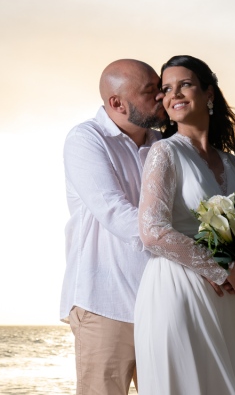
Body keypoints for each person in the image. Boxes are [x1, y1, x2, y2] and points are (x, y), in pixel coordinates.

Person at [134, 55, 235, 394]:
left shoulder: (232, 163)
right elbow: (153, 231)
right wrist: (221, 269)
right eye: (166, 88)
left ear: (209, 94)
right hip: (179, 292)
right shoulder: (164, 154)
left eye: (185, 84)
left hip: (231, 299)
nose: (174, 94)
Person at [61, 59, 167, 395]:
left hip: (161, 301)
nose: (162, 97)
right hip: (104, 304)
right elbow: (112, 210)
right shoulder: (85, 139)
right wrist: (189, 249)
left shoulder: (164, 145)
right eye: (151, 92)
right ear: (117, 103)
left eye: (160, 88)